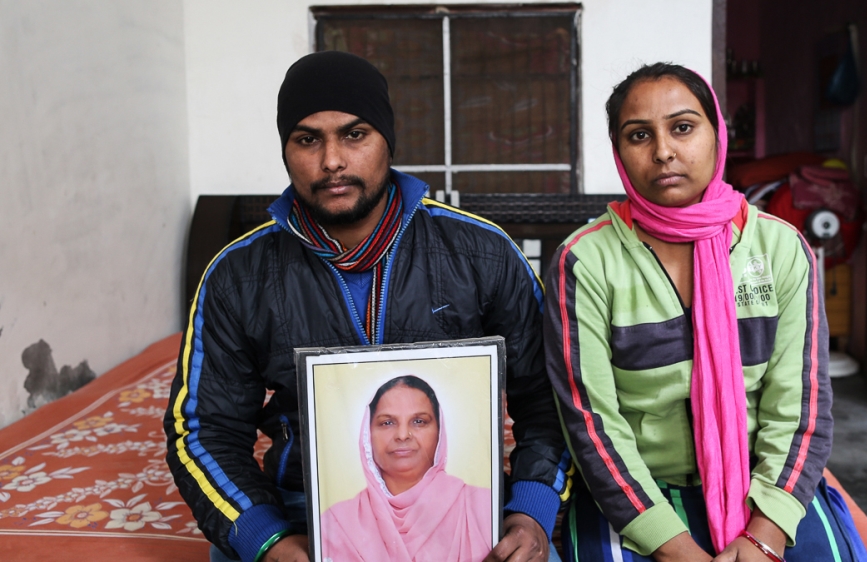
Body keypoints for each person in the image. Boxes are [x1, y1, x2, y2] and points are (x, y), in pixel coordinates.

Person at [164, 51, 569, 562]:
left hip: (465, 509)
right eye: (308, 139)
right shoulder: (237, 275)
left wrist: (531, 510)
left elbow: (549, 400)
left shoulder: (481, 253)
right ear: (286, 150)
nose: (332, 160)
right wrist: (264, 538)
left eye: (354, 135)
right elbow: (204, 428)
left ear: (388, 141)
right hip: (299, 511)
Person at [544, 63, 867, 562]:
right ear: (619, 152)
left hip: (764, 485)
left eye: (682, 126)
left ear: (717, 133)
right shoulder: (585, 260)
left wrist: (766, 531)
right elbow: (590, 422)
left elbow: (800, 405)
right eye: (638, 135)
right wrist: (673, 547)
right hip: (638, 492)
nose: (663, 151)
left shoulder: (779, 247)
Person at [321, 375, 492, 562]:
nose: (403, 435)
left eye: (419, 421)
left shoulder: (482, 507)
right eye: (387, 422)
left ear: (440, 432)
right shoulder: (335, 523)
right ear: (367, 434)